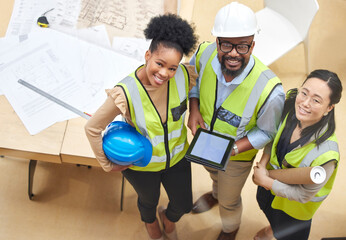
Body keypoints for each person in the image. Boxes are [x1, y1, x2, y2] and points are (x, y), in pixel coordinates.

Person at [85, 14, 198, 240]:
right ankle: (150, 222)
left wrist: (193, 109)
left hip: (177, 159)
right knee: (148, 201)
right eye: (159, 63)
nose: (165, 73)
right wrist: (107, 165)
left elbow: (193, 90)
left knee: (184, 204)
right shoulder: (125, 92)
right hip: (142, 166)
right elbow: (92, 128)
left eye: (172, 68)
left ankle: (169, 218)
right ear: (148, 56)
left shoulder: (184, 74)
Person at [187, 2, 285, 240]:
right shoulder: (205, 52)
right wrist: (194, 107)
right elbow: (193, 79)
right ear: (217, 41)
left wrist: (235, 148)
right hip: (205, 143)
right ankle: (215, 193)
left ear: (253, 45)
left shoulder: (271, 91)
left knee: (230, 201)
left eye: (242, 46)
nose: (233, 53)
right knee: (213, 175)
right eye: (227, 44)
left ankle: (230, 229)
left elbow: (267, 132)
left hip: (236, 158)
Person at [252, 69, 342, 240]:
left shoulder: (327, 154)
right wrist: (263, 164)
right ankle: (272, 229)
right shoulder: (290, 106)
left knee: (287, 234)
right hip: (268, 187)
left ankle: (274, 231)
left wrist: (266, 181)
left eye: (316, 100)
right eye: (304, 93)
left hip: (294, 210)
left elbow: (303, 195)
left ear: (329, 108)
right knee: (269, 213)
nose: (305, 103)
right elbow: (274, 137)